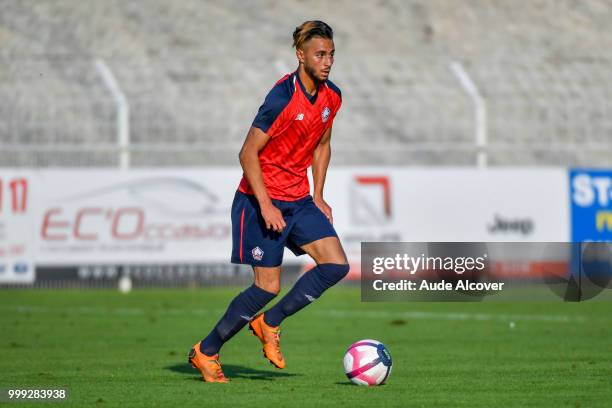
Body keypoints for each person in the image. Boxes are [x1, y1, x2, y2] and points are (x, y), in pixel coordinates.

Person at [188, 20, 349, 383]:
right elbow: (247, 154)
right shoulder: (281, 97)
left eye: (331, 55)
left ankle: (269, 322)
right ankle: (206, 351)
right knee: (267, 287)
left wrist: (319, 194)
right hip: (260, 199)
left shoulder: (332, 96)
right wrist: (265, 205)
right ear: (300, 55)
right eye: (320, 55)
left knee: (336, 265)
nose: (327, 62)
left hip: (299, 199)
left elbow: (322, 145)